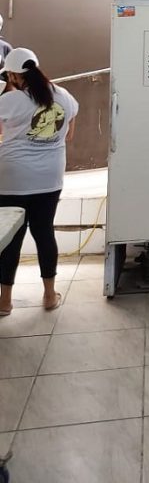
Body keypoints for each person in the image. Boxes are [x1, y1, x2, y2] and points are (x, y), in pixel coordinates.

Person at [0, 48, 78, 315]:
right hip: (49, 178)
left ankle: (5, 300)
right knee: (44, 233)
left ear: (13, 75)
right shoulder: (64, 96)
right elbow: (68, 133)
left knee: (10, 238)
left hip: (12, 179)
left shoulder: (11, 100)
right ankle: (48, 296)